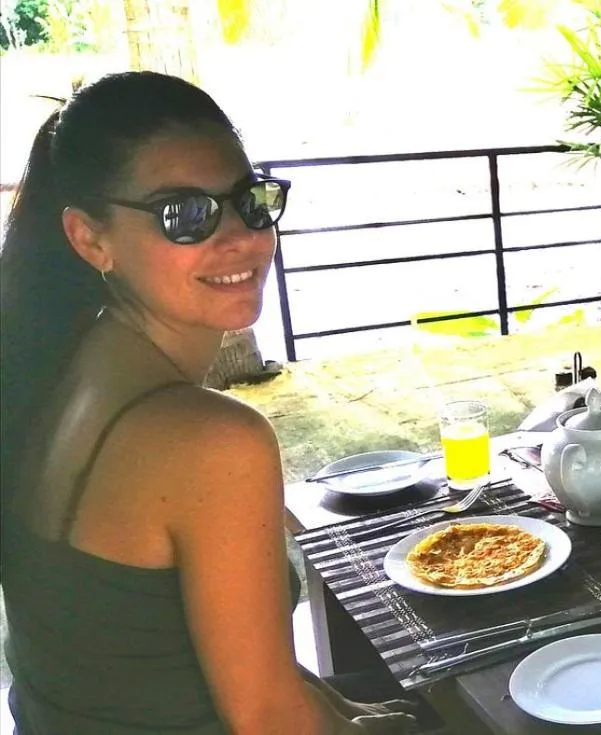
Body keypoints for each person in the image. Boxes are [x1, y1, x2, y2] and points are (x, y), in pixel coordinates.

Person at [0, 72, 416, 734]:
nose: (241, 239)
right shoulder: (212, 442)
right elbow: (269, 719)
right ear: (89, 238)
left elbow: (220, 659)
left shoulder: (55, 369)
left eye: (248, 202)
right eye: (183, 214)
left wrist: (355, 716)